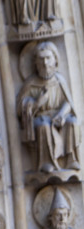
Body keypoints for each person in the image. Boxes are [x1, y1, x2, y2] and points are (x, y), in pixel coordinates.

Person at [17, 42, 79, 174]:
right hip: (41, 118)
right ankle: (46, 162)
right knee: (43, 125)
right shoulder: (31, 83)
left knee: (72, 121)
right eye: (41, 59)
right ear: (36, 63)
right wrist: (37, 103)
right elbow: (20, 108)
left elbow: (68, 102)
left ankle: (70, 158)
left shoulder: (59, 80)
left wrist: (62, 115)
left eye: (48, 58)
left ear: (55, 60)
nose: (45, 63)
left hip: (58, 117)